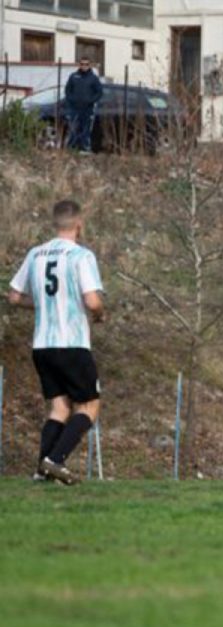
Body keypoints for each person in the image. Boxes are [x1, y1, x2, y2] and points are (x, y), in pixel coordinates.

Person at [7, 200, 105, 486]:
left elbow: (13, 296)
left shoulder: (35, 254)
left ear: (55, 223)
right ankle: (55, 459)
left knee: (59, 408)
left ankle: (41, 471)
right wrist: (99, 314)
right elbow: (92, 300)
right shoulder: (81, 256)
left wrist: (42, 304)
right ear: (79, 224)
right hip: (72, 343)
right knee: (88, 407)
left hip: (42, 345)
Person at [64, 58, 103, 153]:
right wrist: (71, 100)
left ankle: (85, 148)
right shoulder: (73, 76)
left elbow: (99, 92)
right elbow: (67, 90)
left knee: (86, 129)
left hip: (87, 109)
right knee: (73, 128)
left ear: (89, 65)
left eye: (86, 64)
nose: (84, 66)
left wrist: (91, 101)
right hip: (74, 108)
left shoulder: (93, 78)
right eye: (82, 64)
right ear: (79, 65)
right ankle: (71, 148)